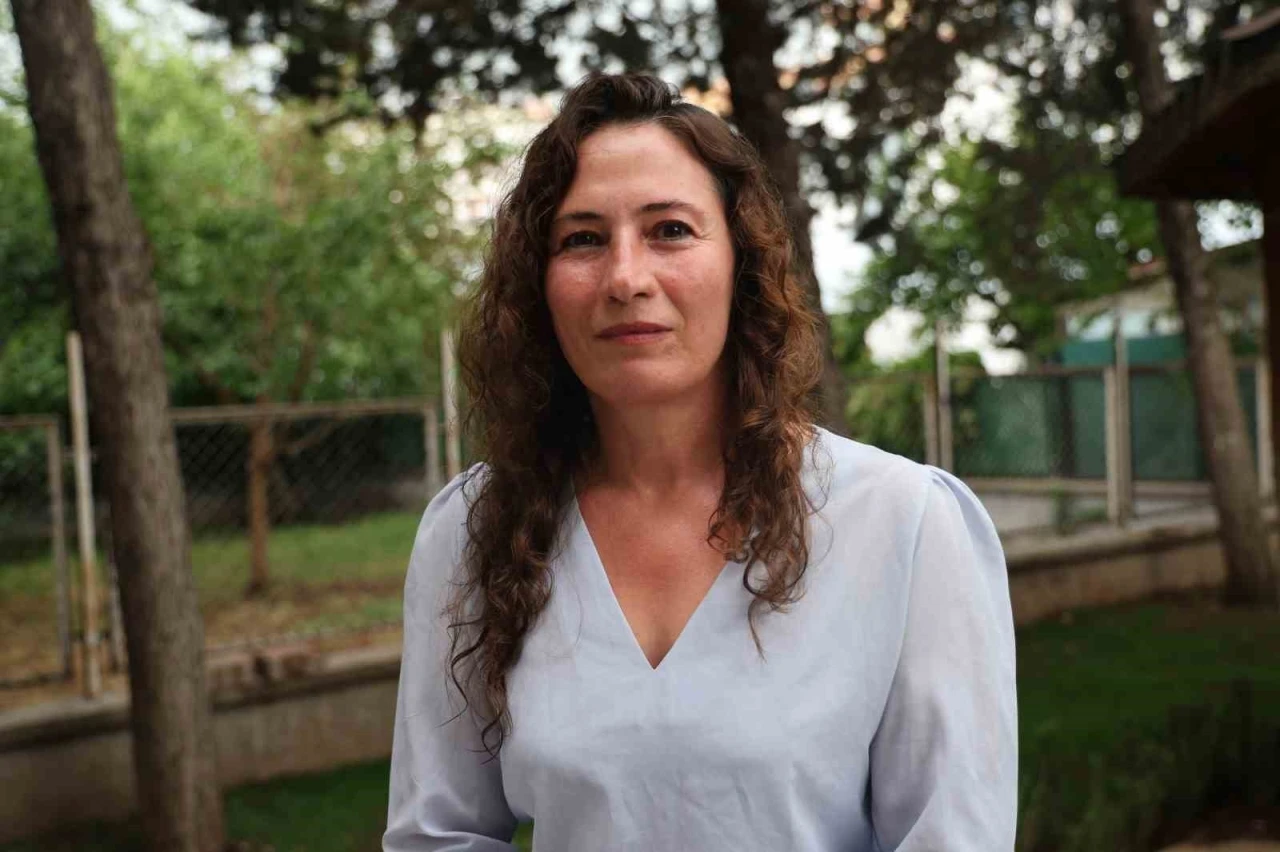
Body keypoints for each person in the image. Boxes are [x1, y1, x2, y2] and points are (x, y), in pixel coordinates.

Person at [384, 72, 1017, 852]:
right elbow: (438, 833)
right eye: (583, 239)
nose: (626, 278)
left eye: (670, 230)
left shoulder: (905, 524)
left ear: (741, 263)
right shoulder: (474, 529)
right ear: (539, 285)